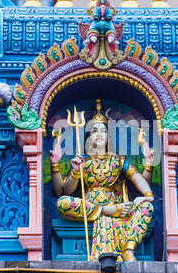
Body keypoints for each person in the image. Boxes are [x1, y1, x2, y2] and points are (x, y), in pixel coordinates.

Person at [49, 100, 154, 261]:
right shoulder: (83, 160)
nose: (99, 134)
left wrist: (148, 170)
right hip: (91, 207)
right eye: (94, 130)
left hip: (119, 208)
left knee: (147, 207)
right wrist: (61, 166)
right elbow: (62, 191)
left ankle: (129, 248)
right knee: (63, 202)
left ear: (108, 136)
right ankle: (105, 211)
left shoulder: (118, 161)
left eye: (103, 130)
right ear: (89, 137)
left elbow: (138, 180)